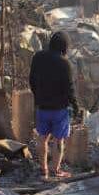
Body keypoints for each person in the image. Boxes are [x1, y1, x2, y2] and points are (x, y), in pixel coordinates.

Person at [29, 31, 80, 178]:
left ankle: (43, 168)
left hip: (42, 107)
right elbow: (70, 89)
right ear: (64, 46)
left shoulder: (38, 57)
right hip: (59, 110)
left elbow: (31, 80)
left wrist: (38, 96)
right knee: (59, 140)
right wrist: (75, 106)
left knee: (42, 138)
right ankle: (55, 170)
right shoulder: (65, 64)